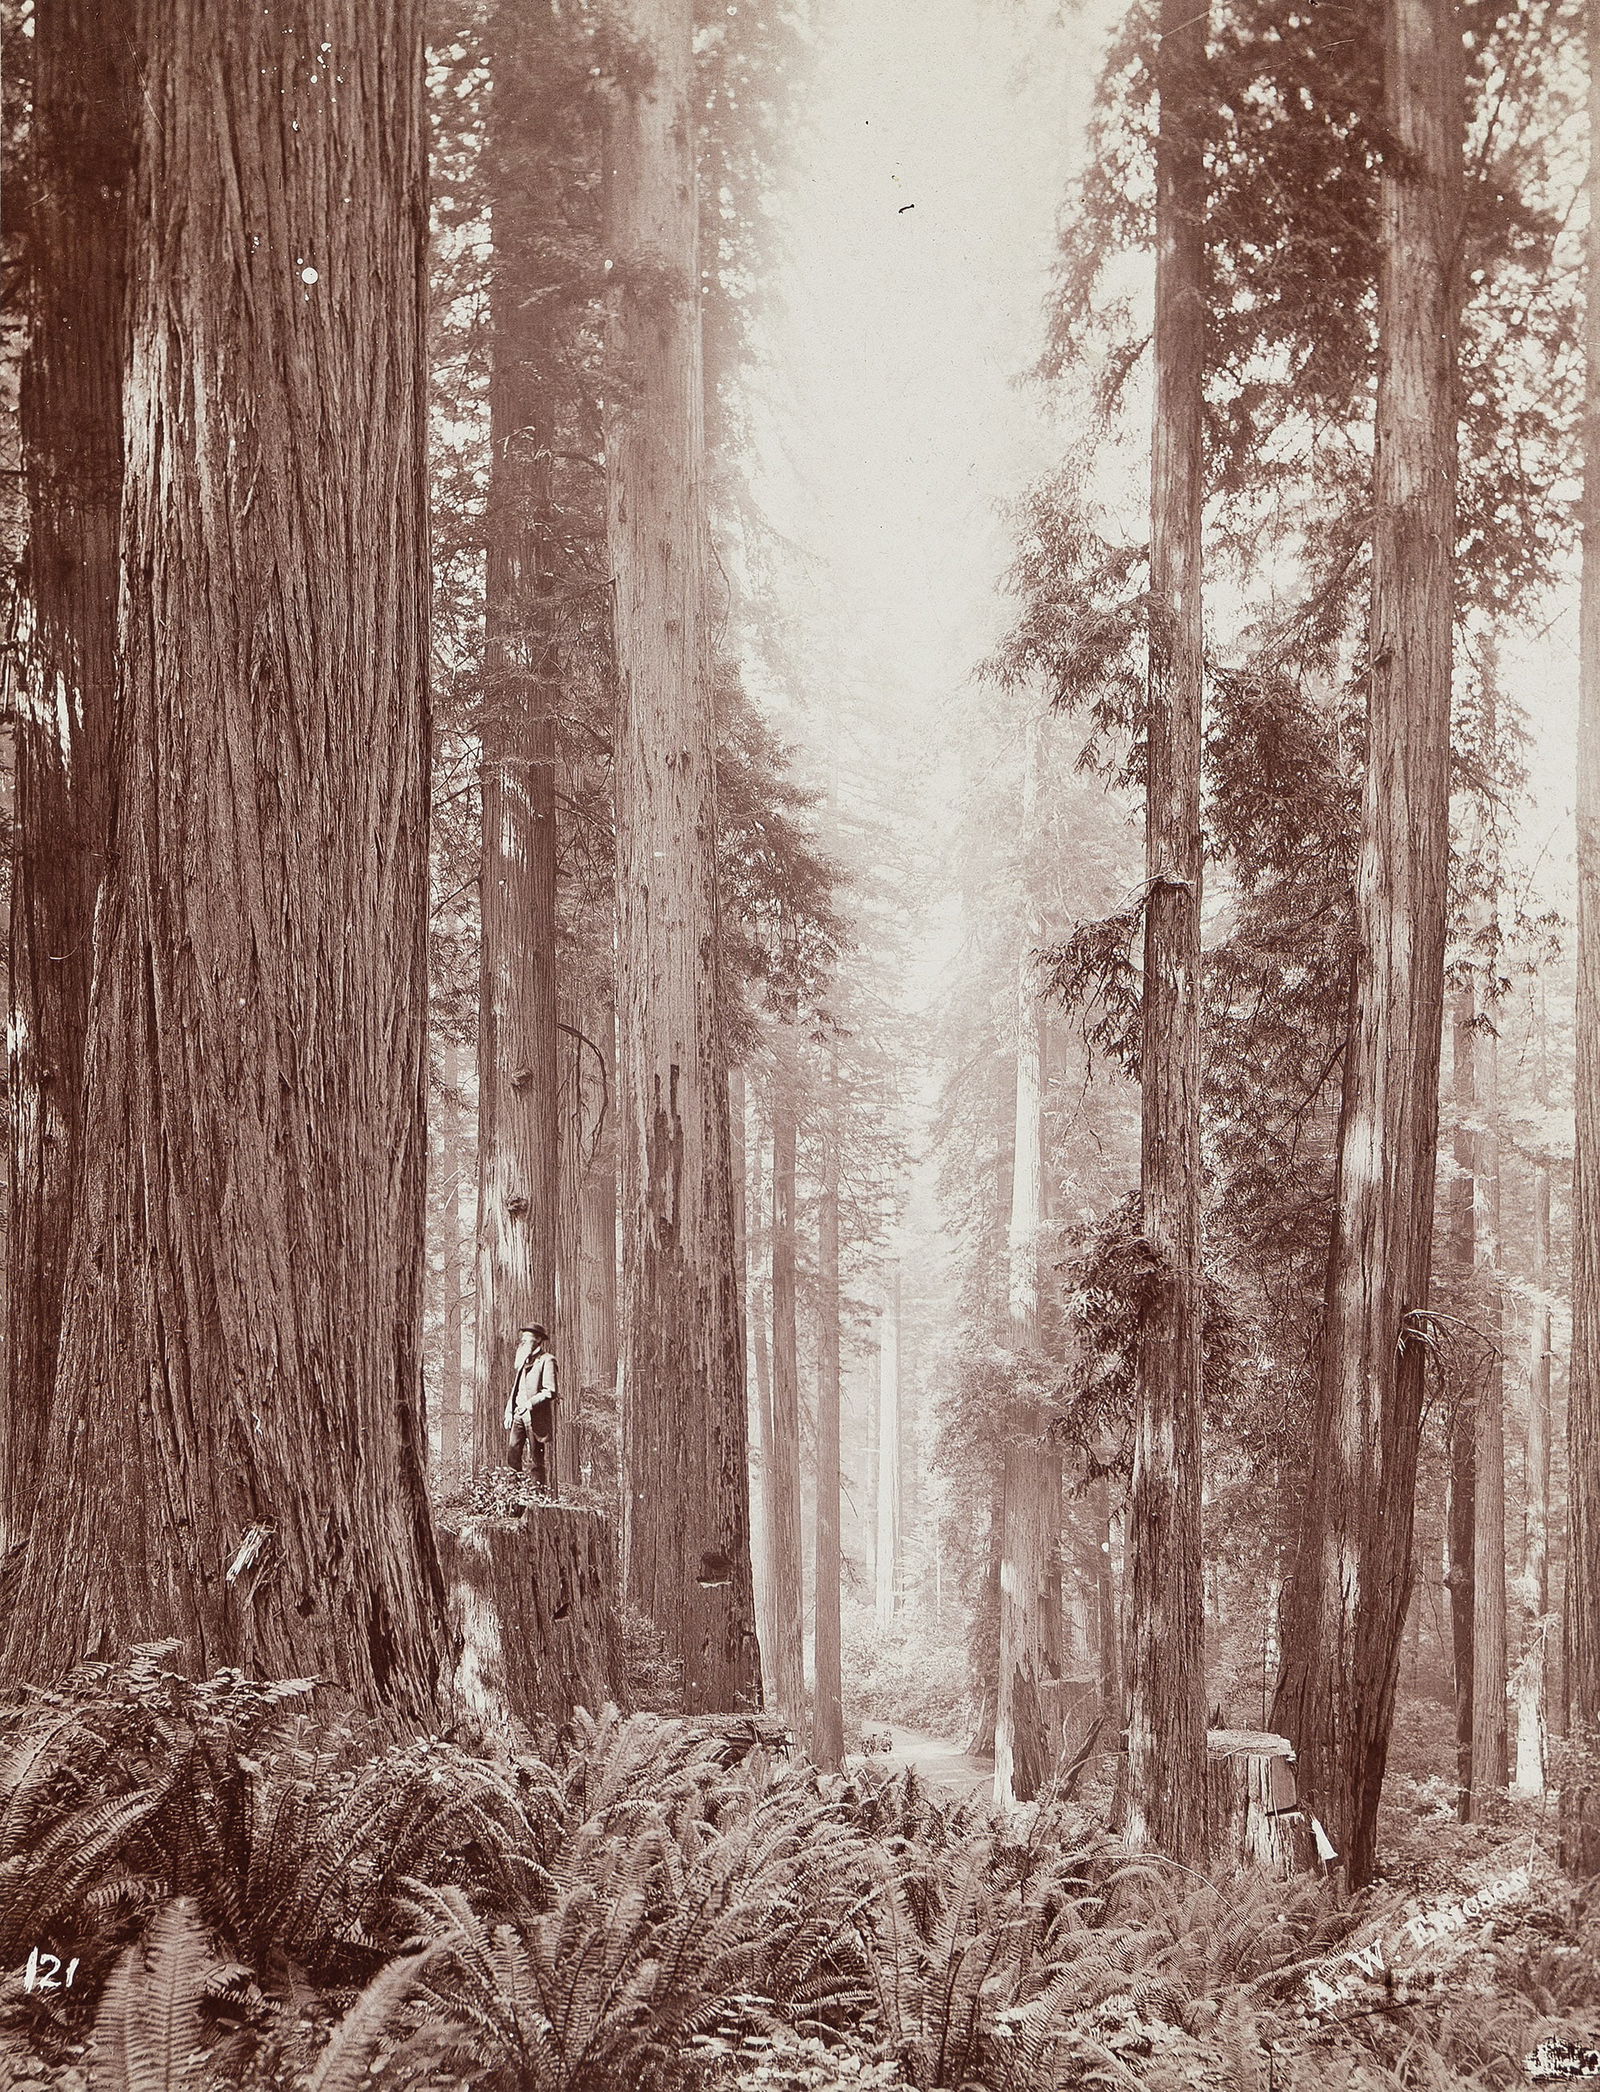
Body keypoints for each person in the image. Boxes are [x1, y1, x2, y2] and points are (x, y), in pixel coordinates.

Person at [503, 1324, 558, 1493]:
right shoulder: (522, 1361)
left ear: (539, 1340)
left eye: (528, 1339)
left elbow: (550, 1391)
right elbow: (515, 1389)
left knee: (536, 1461)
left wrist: (530, 1403)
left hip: (535, 1417)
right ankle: (514, 1500)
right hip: (518, 1416)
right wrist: (509, 1412)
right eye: (523, 1339)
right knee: (512, 1456)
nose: (523, 1342)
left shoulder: (547, 1360)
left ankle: (537, 1500)